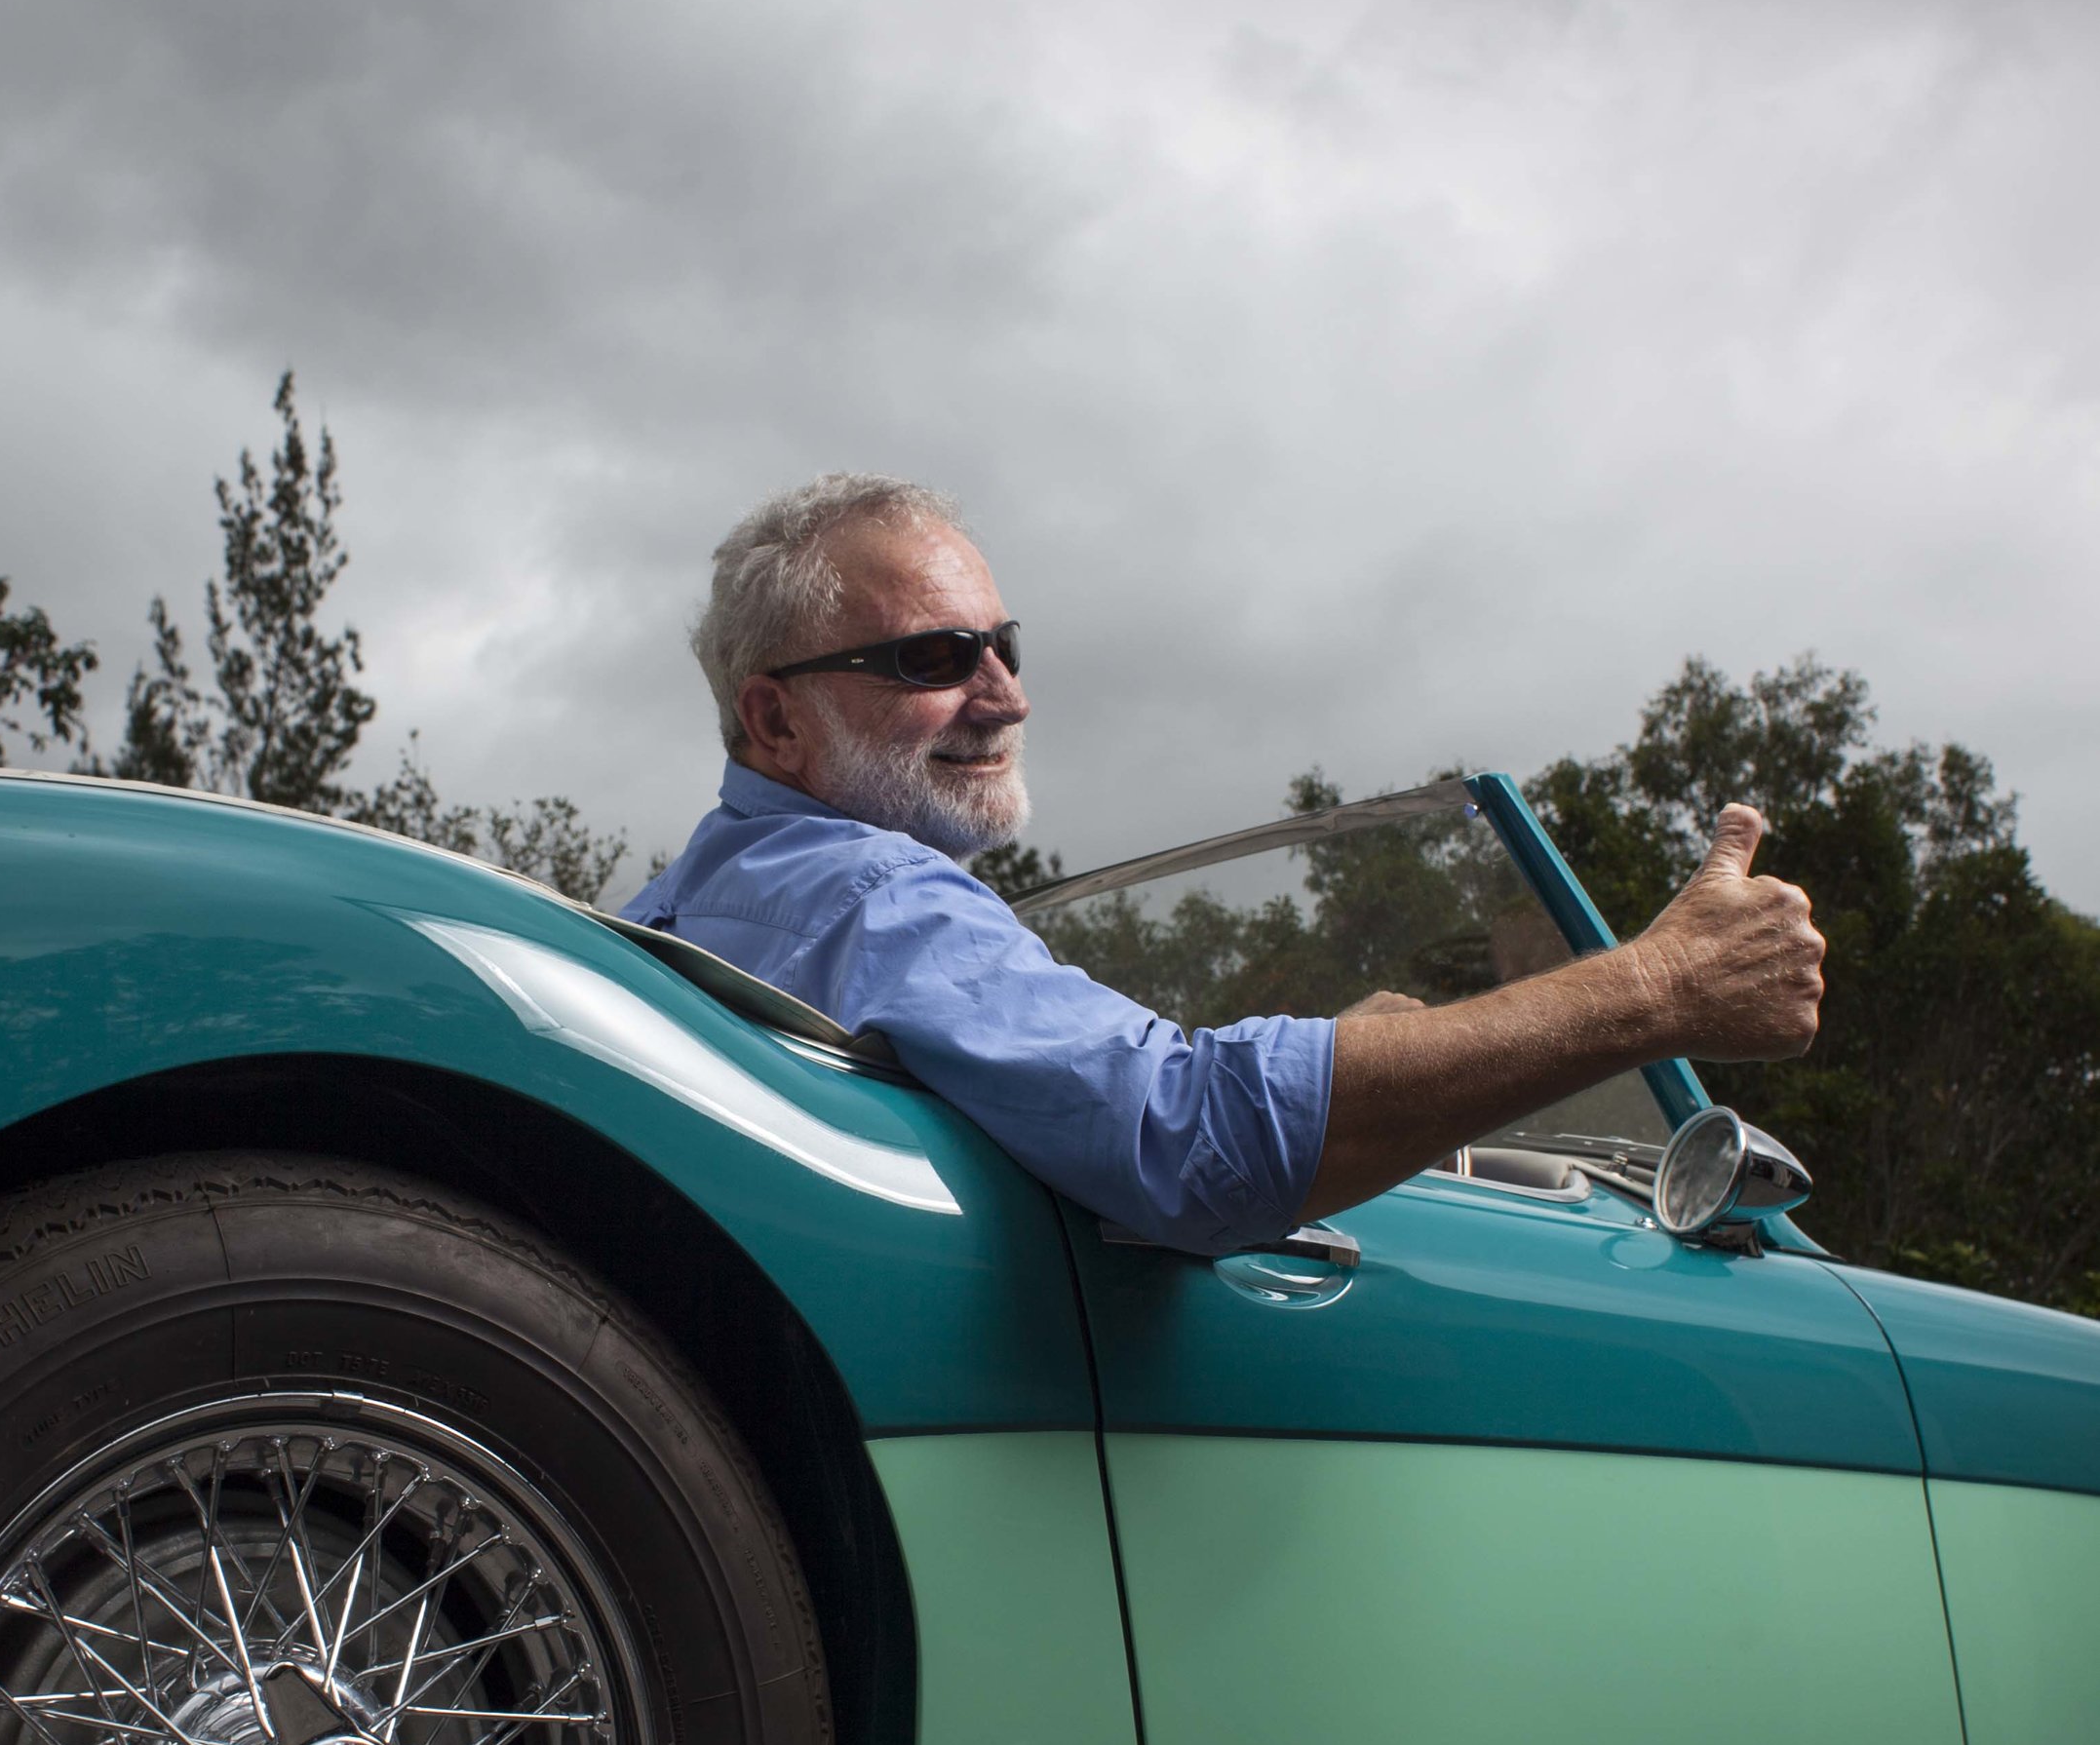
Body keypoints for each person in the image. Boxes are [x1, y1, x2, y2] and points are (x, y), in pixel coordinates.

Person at [625, 476, 1824, 1247]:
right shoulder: (868, 898)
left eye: (1002, 645)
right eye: (933, 658)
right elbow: (1190, 1141)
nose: (1008, 695)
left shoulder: (677, 912)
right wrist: (1657, 990)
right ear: (775, 721)